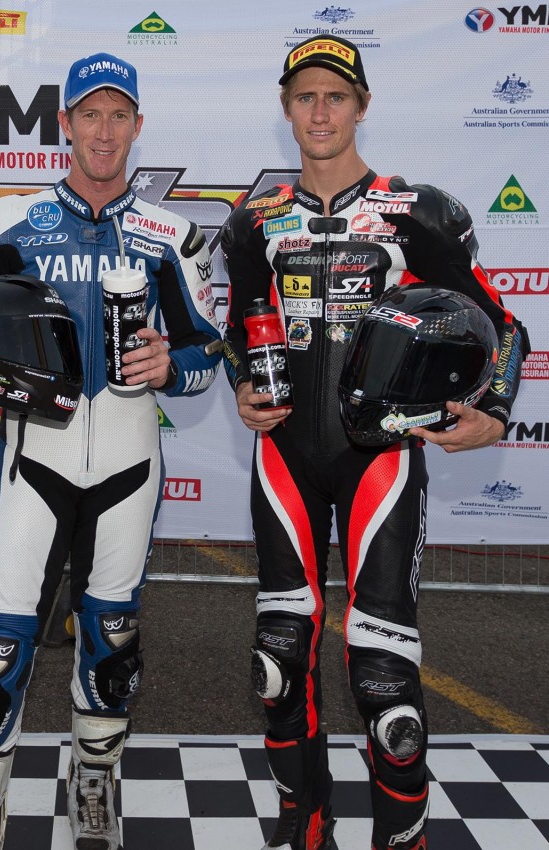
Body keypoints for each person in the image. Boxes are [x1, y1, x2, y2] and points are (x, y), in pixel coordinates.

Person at [220, 35, 530, 850]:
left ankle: (403, 836)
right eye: (305, 97)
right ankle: (304, 821)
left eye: (336, 96)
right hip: (284, 455)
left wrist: (494, 408)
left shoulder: (415, 211)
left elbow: (504, 326)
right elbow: (235, 333)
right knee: (278, 659)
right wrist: (242, 386)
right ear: (286, 108)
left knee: (383, 678)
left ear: (362, 106)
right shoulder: (255, 221)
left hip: (381, 462)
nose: (320, 111)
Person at [0, 53, 222, 850]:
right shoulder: (8, 219)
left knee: (111, 640)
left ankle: (93, 782)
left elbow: (207, 350)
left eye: (119, 115)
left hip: (128, 466)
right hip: (32, 463)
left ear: (138, 127)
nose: (105, 130)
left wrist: (173, 365)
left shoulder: (170, 233)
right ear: (65, 125)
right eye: (90, 114)